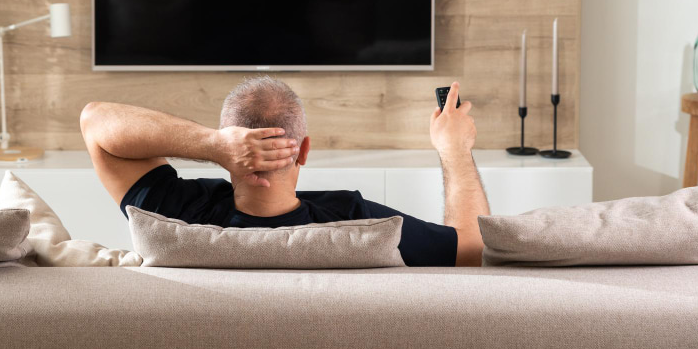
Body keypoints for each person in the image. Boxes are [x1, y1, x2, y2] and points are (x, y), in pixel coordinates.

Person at [80, 78, 489, 267]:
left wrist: (213, 145)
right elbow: (473, 250)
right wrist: (454, 149)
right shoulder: (361, 223)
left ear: (229, 142)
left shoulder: (174, 216)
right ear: (305, 150)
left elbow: (95, 121)